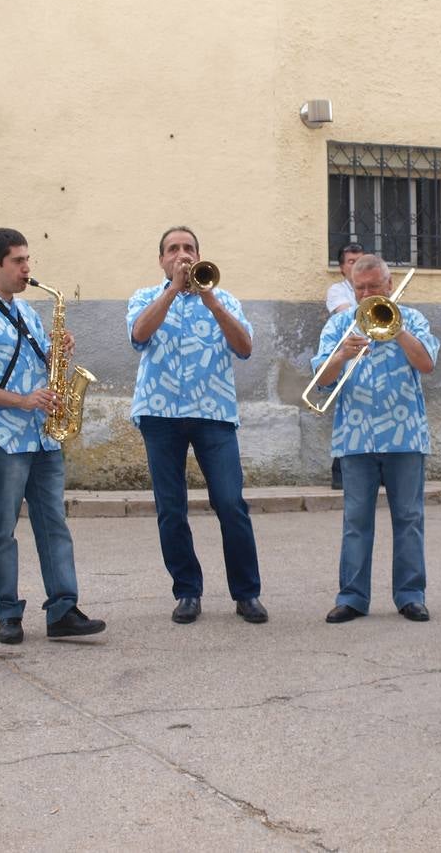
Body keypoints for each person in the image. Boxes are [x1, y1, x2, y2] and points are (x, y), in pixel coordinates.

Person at [0, 227, 106, 645]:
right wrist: (24, 401)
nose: (27, 268)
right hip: (1, 437)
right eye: (18, 261)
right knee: (2, 528)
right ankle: (8, 613)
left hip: (41, 437)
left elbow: (39, 367)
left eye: (27, 260)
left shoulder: (28, 313)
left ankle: (63, 610)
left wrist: (59, 353)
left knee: (54, 523)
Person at [127, 226, 267, 625]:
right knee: (171, 509)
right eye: (173, 249)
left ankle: (247, 593)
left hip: (213, 414)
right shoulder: (145, 297)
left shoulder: (223, 298)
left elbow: (245, 348)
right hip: (160, 413)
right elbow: (138, 335)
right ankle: (187, 591)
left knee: (230, 503)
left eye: (189, 248)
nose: (182, 255)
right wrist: (171, 290)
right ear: (162, 260)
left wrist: (211, 301)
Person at [311, 254, 439, 623]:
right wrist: (340, 356)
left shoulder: (412, 319)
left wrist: (397, 329)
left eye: (372, 286)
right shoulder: (340, 325)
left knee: (409, 518)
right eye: (359, 287)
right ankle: (352, 597)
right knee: (356, 521)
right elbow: (320, 380)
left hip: (405, 436)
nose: (366, 293)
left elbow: (427, 363)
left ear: (388, 283)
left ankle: (410, 595)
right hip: (355, 437)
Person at [325, 242, 365, 489]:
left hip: (373, 354)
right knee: (348, 415)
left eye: (361, 261)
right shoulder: (337, 290)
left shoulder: (375, 289)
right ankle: (339, 472)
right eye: (351, 262)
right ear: (342, 268)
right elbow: (345, 314)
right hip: (346, 355)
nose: (357, 266)